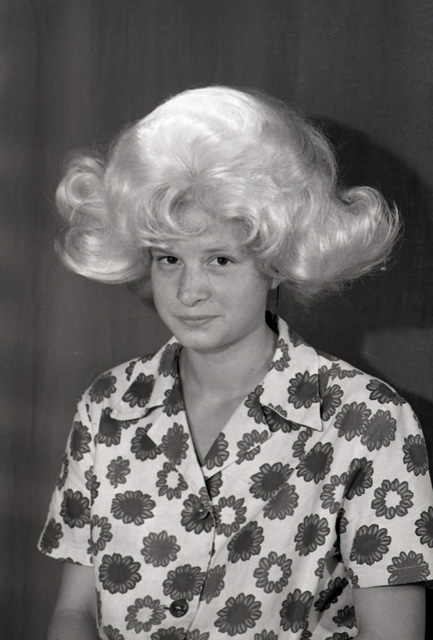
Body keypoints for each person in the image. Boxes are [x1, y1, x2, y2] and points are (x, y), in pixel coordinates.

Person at [39, 86, 433, 640]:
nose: (188, 290)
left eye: (220, 259)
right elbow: (75, 610)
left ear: (276, 261)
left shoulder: (367, 420)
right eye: (168, 258)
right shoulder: (108, 405)